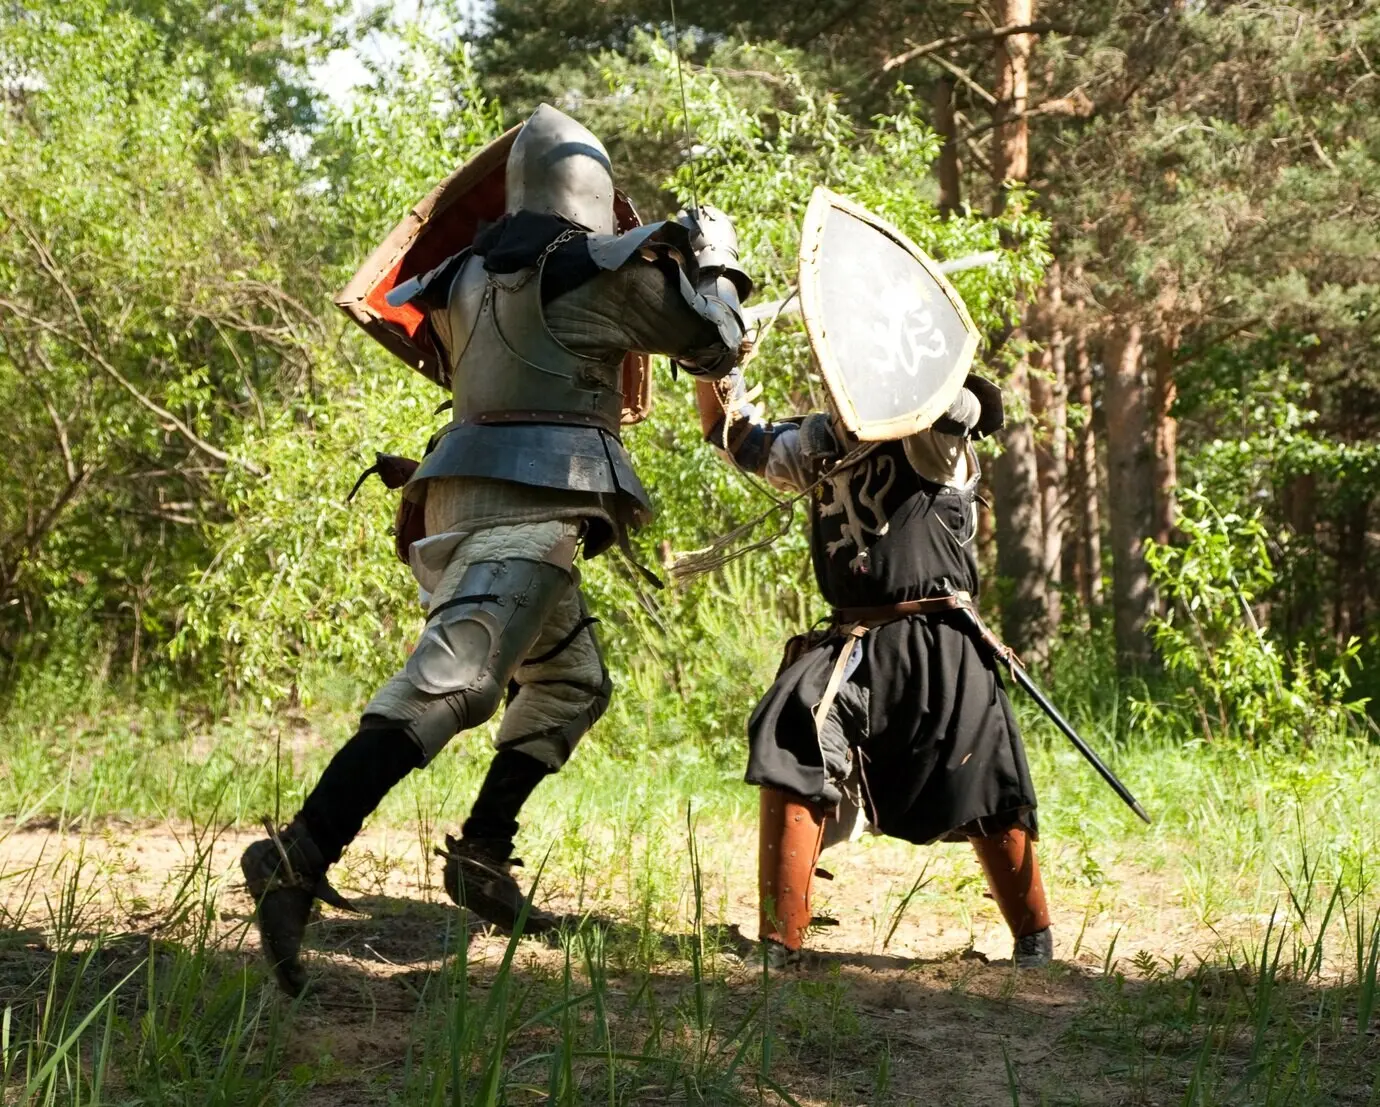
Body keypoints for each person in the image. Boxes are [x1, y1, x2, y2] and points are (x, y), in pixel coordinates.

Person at [241, 104, 753, 996]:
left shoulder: (459, 274)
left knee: (569, 682)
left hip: (464, 487)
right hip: (534, 500)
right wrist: (716, 261)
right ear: (593, 194)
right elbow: (714, 344)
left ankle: (481, 855)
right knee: (456, 683)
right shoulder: (589, 272)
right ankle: (296, 854)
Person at [695, 366, 1053, 968]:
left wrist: (911, 368)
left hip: (940, 642)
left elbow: (958, 406)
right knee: (793, 732)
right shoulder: (820, 443)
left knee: (984, 782)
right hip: (851, 641)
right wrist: (713, 363)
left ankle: (1033, 941)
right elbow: (728, 432)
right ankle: (779, 945)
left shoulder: (931, 435)